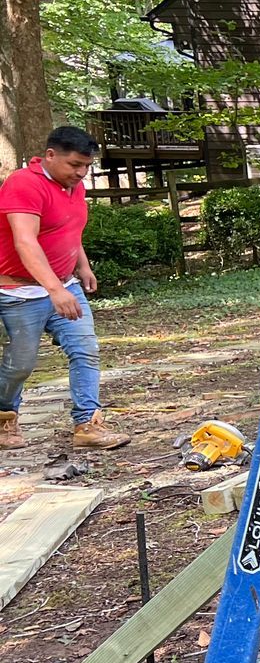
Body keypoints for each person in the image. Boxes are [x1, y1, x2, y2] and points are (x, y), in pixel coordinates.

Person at [0, 126, 130, 450]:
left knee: (85, 349)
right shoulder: (24, 184)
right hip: (19, 293)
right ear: (50, 155)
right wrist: (54, 289)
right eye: (74, 165)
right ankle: (4, 419)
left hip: (64, 284)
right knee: (21, 363)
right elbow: (25, 241)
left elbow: (68, 230)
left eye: (86, 166)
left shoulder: (75, 186)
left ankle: (88, 424)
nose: (81, 172)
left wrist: (81, 265)